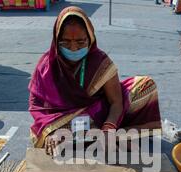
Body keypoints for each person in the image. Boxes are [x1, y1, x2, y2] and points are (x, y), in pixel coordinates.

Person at [28, 6, 162, 155]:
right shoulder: (46, 66)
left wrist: (109, 127)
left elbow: (116, 102)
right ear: (56, 39)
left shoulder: (100, 62)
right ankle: (117, 136)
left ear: (90, 38)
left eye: (80, 42)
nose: (73, 48)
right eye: (66, 42)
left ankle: (109, 135)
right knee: (48, 136)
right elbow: (37, 107)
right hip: (64, 120)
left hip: (100, 114)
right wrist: (49, 131)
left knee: (146, 86)